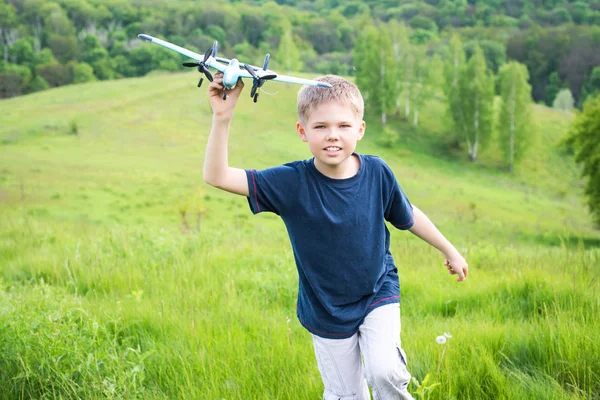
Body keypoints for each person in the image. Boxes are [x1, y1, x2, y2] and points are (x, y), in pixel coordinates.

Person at [203, 73, 469, 400]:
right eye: (321, 127)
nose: (333, 136)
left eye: (343, 126)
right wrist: (222, 117)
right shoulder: (291, 182)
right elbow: (217, 176)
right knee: (346, 396)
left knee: (385, 373)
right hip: (325, 308)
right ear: (302, 131)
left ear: (360, 129)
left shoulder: (377, 172)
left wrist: (449, 250)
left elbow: (409, 215)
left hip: (377, 292)